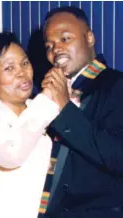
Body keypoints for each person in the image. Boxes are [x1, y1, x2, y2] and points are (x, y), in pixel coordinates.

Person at [0, 32, 64, 218]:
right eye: (9, 68)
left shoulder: (35, 109)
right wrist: (48, 98)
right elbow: (11, 153)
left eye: (25, 63)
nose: (22, 72)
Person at [39, 6, 123, 218]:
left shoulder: (116, 85)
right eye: (49, 45)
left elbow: (117, 156)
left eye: (65, 38)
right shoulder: (48, 91)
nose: (56, 49)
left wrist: (65, 108)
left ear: (90, 38)